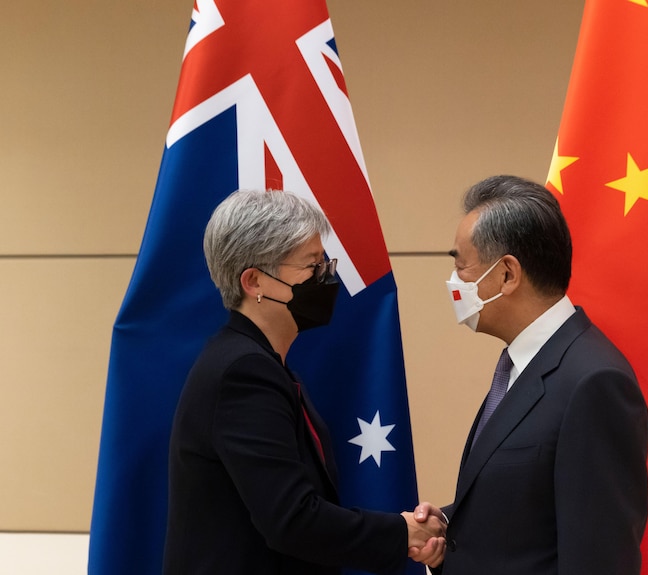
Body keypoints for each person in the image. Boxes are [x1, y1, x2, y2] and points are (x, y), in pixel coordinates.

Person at [163, 189, 445, 574]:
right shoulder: (243, 373)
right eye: (313, 267)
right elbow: (291, 519)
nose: (328, 277)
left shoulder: (262, 363)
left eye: (326, 261)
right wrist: (402, 532)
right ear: (254, 282)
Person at [415, 175, 648, 574]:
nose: (455, 283)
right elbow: (529, 507)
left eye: (461, 266)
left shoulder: (593, 382)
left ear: (507, 274)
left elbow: (598, 558)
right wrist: (448, 528)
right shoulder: (520, 364)